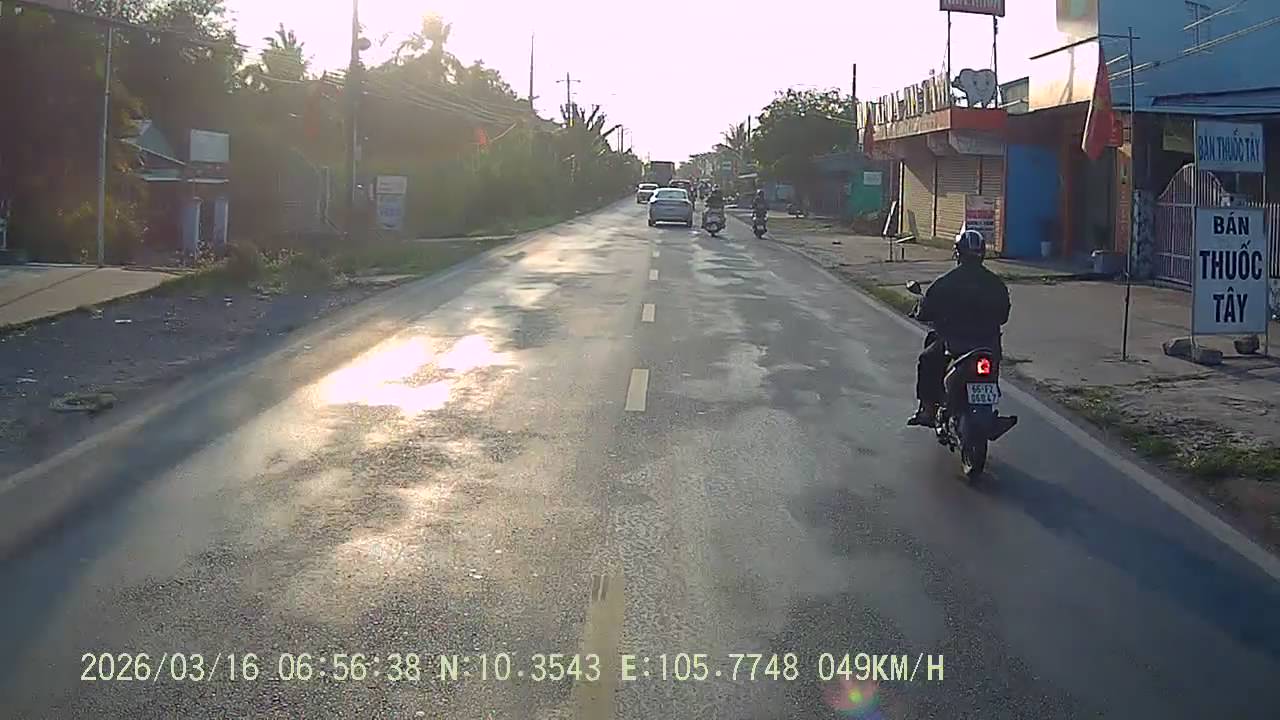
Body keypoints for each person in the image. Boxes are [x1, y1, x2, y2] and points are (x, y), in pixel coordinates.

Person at [908, 229, 1011, 427]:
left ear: (958, 253)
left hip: (955, 344)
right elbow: (1003, 316)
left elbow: (926, 311)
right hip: (988, 346)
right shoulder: (995, 283)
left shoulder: (945, 282)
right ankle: (987, 413)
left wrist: (920, 311)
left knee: (927, 359)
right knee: (992, 367)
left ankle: (928, 410)